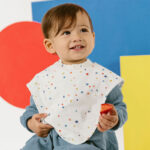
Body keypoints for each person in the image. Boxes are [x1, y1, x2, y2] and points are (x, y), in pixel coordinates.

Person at [20, 3, 127, 150]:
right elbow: (32, 109)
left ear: (93, 37)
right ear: (50, 45)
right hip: (48, 139)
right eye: (66, 33)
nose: (77, 37)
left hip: (88, 140)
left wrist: (115, 118)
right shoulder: (45, 79)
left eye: (83, 30)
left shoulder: (102, 77)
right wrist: (32, 122)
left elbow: (119, 106)